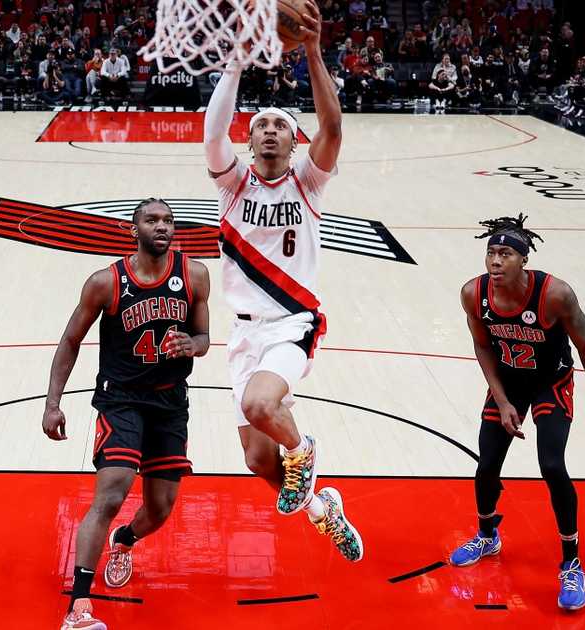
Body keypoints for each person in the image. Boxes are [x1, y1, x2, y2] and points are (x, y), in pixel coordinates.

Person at [201, 0, 362, 563]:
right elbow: (212, 131)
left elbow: (334, 127)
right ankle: (323, 509)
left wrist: (314, 50)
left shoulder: (308, 184)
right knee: (255, 459)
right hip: (245, 333)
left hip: (293, 324)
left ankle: (304, 448)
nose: (270, 131)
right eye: (261, 126)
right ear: (250, 143)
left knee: (260, 405)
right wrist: (236, 61)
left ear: (296, 144)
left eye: (281, 127)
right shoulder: (232, 186)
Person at [43, 199, 210, 630]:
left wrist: (193, 345)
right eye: (152, 220)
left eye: (168, 220)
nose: (162, 227)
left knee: (160, 509)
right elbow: (70, 340)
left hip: (170, 403)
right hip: (120, 400)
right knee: (112, 494)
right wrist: (53, 403)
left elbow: (204, 336)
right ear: (133, 229)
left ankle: (125, 539)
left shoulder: (194, 275)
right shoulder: (106, 282)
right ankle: (78, 606)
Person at [449, 214, 585, 611]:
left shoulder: (556, 295)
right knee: (487, 463)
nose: (495, 261)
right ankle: (488, 535)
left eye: (505, 254)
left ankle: (571, 562)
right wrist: (502, 400)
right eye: (491, 253)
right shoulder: (473, 294)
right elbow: (482, 346)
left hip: (551, 382)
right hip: (509, 383)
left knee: (552, 465)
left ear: (523, 260)